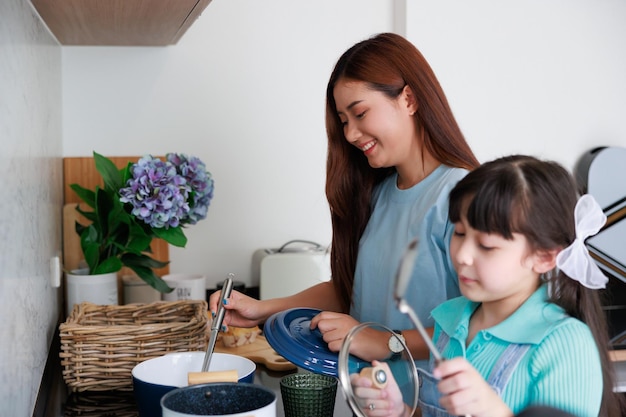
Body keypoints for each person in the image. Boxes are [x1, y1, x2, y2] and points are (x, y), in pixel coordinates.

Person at [209, 32, 479, 362]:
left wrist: (384, 342)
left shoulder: (462, 195)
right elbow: (354, 289)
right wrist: (262, 310)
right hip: (368, 399)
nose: (350, 134)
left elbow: (482, 323)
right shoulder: (378, 194)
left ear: (409, 99)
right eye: (343, 121)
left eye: (360, 113)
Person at [350, 155, 624, 417]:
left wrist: (497, 412)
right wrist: (401, 411)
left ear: (544, 257)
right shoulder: (450, 322)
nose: (461, 255)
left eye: (486, 245)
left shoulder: (564, 344)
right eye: (459, 233)